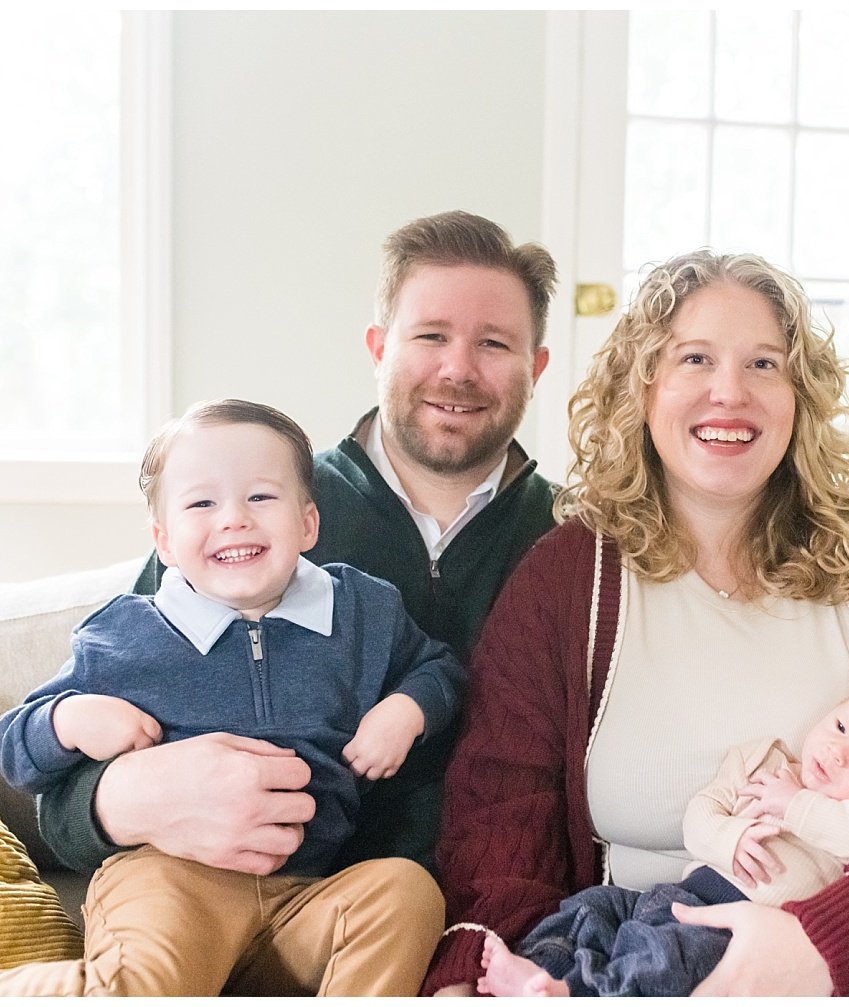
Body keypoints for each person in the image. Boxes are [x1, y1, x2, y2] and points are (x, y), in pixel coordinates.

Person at [424, 250, 849, 996]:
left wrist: (827, 937)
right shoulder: (566, 576)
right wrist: (476, 963)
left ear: (800, 395)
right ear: (642, 386)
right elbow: (500, 812)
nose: (730, 392)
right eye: (694, 358)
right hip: (647, 944)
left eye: (763, 364)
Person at [34, 211, 560, 882]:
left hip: (484, 905)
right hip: (238, 893)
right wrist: (128, 801)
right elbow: (58, 803)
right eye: (431, 335)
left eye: (493, 343)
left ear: (536, 366)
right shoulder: (252, 515)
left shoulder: (575, 542)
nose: (457, 368)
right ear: (378, 348)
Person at [0, 400, 465, 996]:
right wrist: (71, 719)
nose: (234, 519)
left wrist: (406, 710)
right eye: (201, 504)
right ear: (163, 541)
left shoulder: (363, 611)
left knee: (405, 890)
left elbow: (439, 668)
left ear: (308, 524)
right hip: (168, 878)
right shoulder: (126, 634)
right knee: (145, 982)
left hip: (306, 893)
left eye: (260, 496)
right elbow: (13, 745)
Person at [477, 668, 849, 997]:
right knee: (591, 907)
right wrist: (728, 838)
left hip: (736, 933)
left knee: (665, 963)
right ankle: (541, 969)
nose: (838, 752)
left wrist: (796, 804)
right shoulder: (762, 761)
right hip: (674, 895)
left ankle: (576, 993)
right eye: (842, 726)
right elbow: (701, 816)